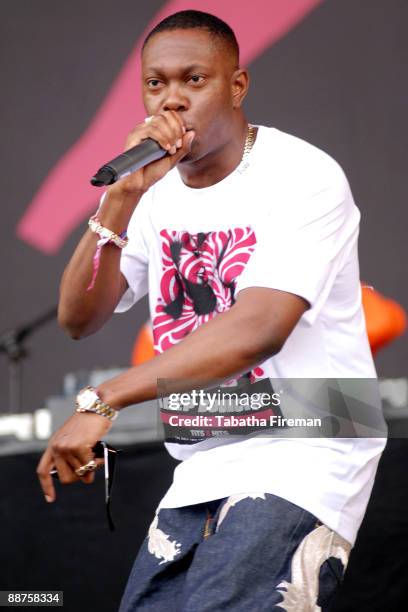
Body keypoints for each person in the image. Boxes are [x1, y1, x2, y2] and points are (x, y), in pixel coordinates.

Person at [37, 10, 387, 611]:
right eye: (156, 83)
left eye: (193, 80)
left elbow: (259, 329)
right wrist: (120, 200)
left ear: (236, 86)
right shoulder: (151, 192)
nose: (171, 101)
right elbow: (79, 317)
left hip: (310, 440)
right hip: (204, 453)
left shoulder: (302, 176)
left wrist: (104, 399)